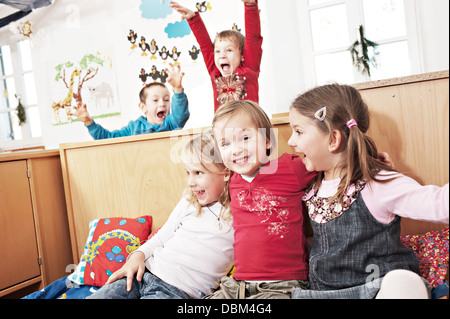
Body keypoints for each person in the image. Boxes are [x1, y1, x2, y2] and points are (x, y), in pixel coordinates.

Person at [287, 83, 449, 299]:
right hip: (325, 295)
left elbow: (440, 205)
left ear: (333, 139)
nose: (290, 142)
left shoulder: (377, 183)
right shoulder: (309, 184)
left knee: (403, 282)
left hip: (379, 289)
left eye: (298, 132)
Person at [87, 132, 234, 299]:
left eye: (199, 173)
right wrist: (136, 256)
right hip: (142, 274)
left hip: (177, 291)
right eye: (188, 173)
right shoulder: (189, 201)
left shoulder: (239, 215)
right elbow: (161, 237)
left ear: (226, 173)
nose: (190, 182)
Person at [207, 100, 317, 299]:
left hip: (283, 284)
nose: (236, 149)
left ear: (267, 141)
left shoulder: (290, 168)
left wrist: (368, 159)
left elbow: (330, 161)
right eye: (225, 143)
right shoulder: (231, 181)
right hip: (238, 285)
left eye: (245, 138)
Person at [170, 0, 262, 112]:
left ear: (242, 55)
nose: (222, 55)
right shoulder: (215, 72)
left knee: (264, 129)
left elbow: (253, 39)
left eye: (229, 50)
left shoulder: (249, 68)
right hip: (223, 128)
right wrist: (193, 19)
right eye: (218, 51)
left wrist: (250, 5)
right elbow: (205, 46)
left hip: (249, 126)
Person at [75, 64, 190, 140]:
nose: (162, 104)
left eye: (166, 100)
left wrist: (178, 90)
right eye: (155, 100)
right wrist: (89, 122)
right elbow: (107, 138)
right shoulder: (133, 128)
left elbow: (180, 114)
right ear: (143, 107)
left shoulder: (171, 123)